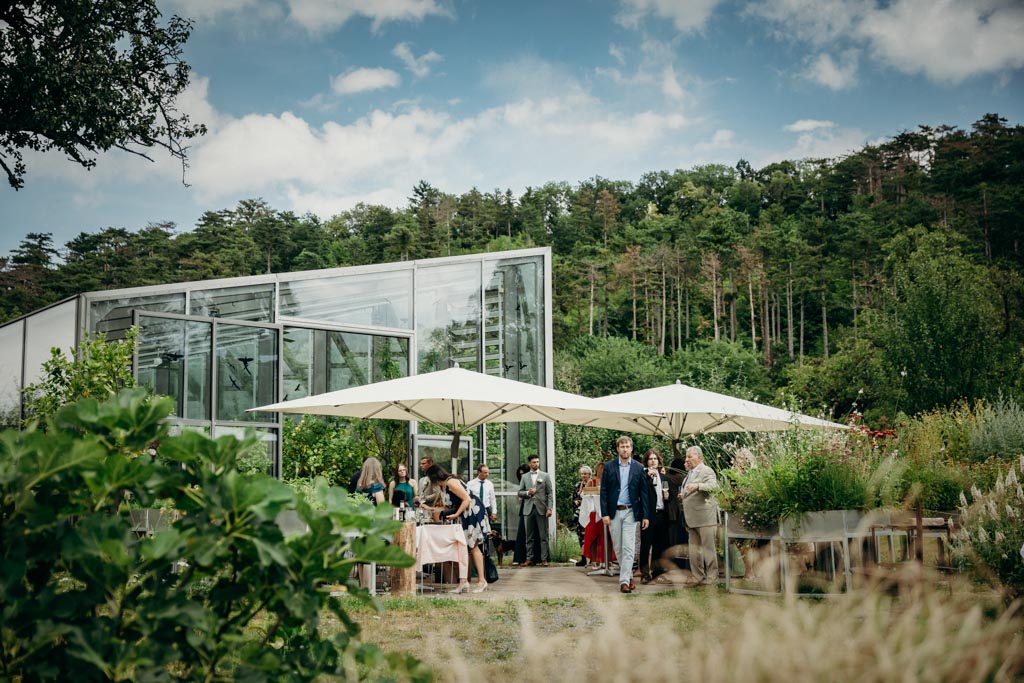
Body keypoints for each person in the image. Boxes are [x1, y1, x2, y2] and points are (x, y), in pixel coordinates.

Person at [425, 463, 491, 594]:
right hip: (462, 514)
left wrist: (455, 514)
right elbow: (447, 507)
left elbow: (467, 499)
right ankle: (463, 582)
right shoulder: (443, 487)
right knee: (461, 548)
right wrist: (430, 509)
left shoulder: (451, 482)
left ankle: (481, 581)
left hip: (471, 513)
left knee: (473, 547)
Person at [600, 436, 650, 593]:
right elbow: (604, 491)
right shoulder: (609, 467)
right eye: (622, 447)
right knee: (619, 548)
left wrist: (645, 516)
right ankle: (628, 577)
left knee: (628, 547)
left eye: (627, 446)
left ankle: (623, 582)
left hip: (630, 512)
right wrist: (605, 513)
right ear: (618, 449)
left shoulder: (638, 467)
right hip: (614, 512)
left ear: (631, 449)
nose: (625, 449)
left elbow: (644, 493)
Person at [680, 445, 720, 586]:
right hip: (691, 519)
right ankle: (697, 577)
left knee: (708, 550)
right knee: (694, 551)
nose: (687, 459)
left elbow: (714, 487)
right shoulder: (689, 473)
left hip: (705, 518)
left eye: (690, 456)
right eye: (686, 456)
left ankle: (712, 578)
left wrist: (697, 486)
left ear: (700, 457)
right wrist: (683, 495)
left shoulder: (706, 470)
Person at [639, 449, 670, 584]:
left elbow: (669, 495)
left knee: (659, 546)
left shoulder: (664, 477)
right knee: (646, 546)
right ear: (646, 461)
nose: (653, 461)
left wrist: (667, 497)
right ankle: (645, 574)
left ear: (659, 461)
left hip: (661, 514)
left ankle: (658, 573)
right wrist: (647, 476)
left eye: (655, 459)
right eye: (650, 459)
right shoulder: (642, 475)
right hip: (648, 515)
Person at [517, 453, 552, 567]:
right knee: (529, 536)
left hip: (541, 508)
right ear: (529, 463)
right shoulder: (525, 476)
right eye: (534, 462)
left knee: (543, 535)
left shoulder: (545, 476)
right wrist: (528, 493)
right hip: (528, 508)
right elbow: (519, 492)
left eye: (537, 462)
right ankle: (529, 558)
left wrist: (549, 508)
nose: (536, 464)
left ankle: (544, 559)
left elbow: (549, 493)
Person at [570, 465, 594, 566]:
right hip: (580, 513)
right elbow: (573, 499)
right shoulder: (578, 485)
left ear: (589, 474)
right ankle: (583, 558)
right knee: (581, 536)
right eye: (582, 474)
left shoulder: (593, 484)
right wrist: (576, 502)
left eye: (585, 474)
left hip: (590, 513)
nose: (583, 476)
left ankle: (593, 558)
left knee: (590, 535)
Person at [513, 463, 531, 565]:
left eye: (523, 474)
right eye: (520, 475)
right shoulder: (522, 483)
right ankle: (520, 557)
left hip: (533, 507)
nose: (521, 477)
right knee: (522, 532)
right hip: (524, 508)